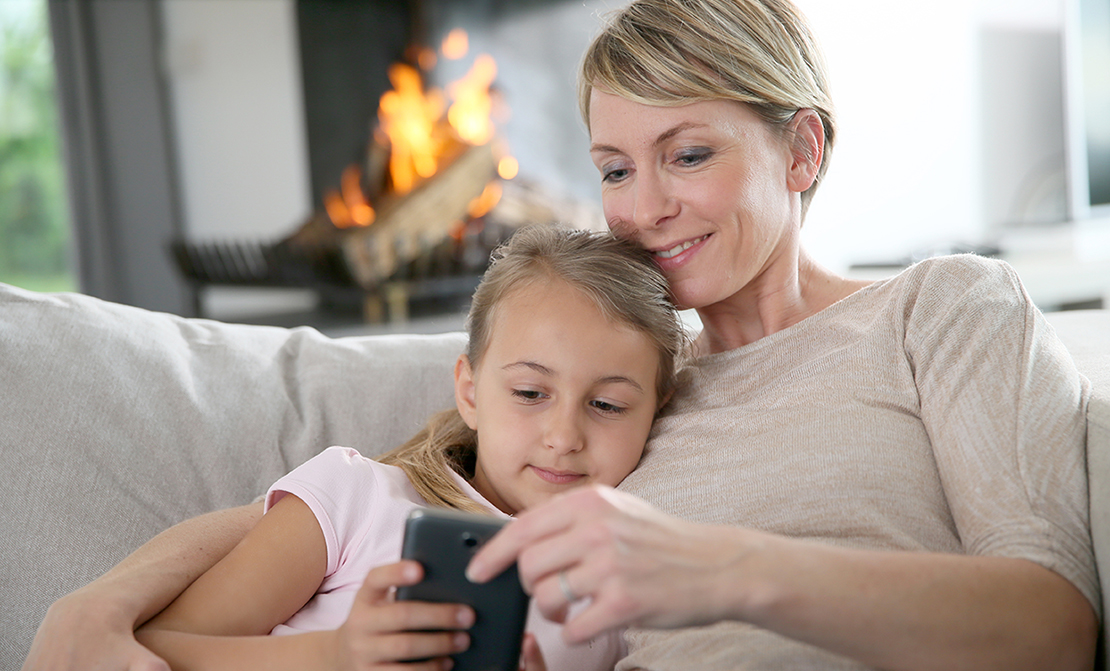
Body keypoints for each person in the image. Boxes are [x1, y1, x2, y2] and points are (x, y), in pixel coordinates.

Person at [23, 0, 1100, 669]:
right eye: (616, 168)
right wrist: (100, 600)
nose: (646, 208)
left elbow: (1053, 630)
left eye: (688, 154)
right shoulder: (622, 375)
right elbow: (372, 481)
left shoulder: (938, 310)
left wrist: (721, 567)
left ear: (802, 151)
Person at [111, 225, 687, 671]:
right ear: (470, 391)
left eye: (607, 405)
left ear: (654, 414)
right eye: (531, 392)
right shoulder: (358, 499)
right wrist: (333, 656)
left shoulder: (617, 598)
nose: (563, 437)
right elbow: (158, 650)